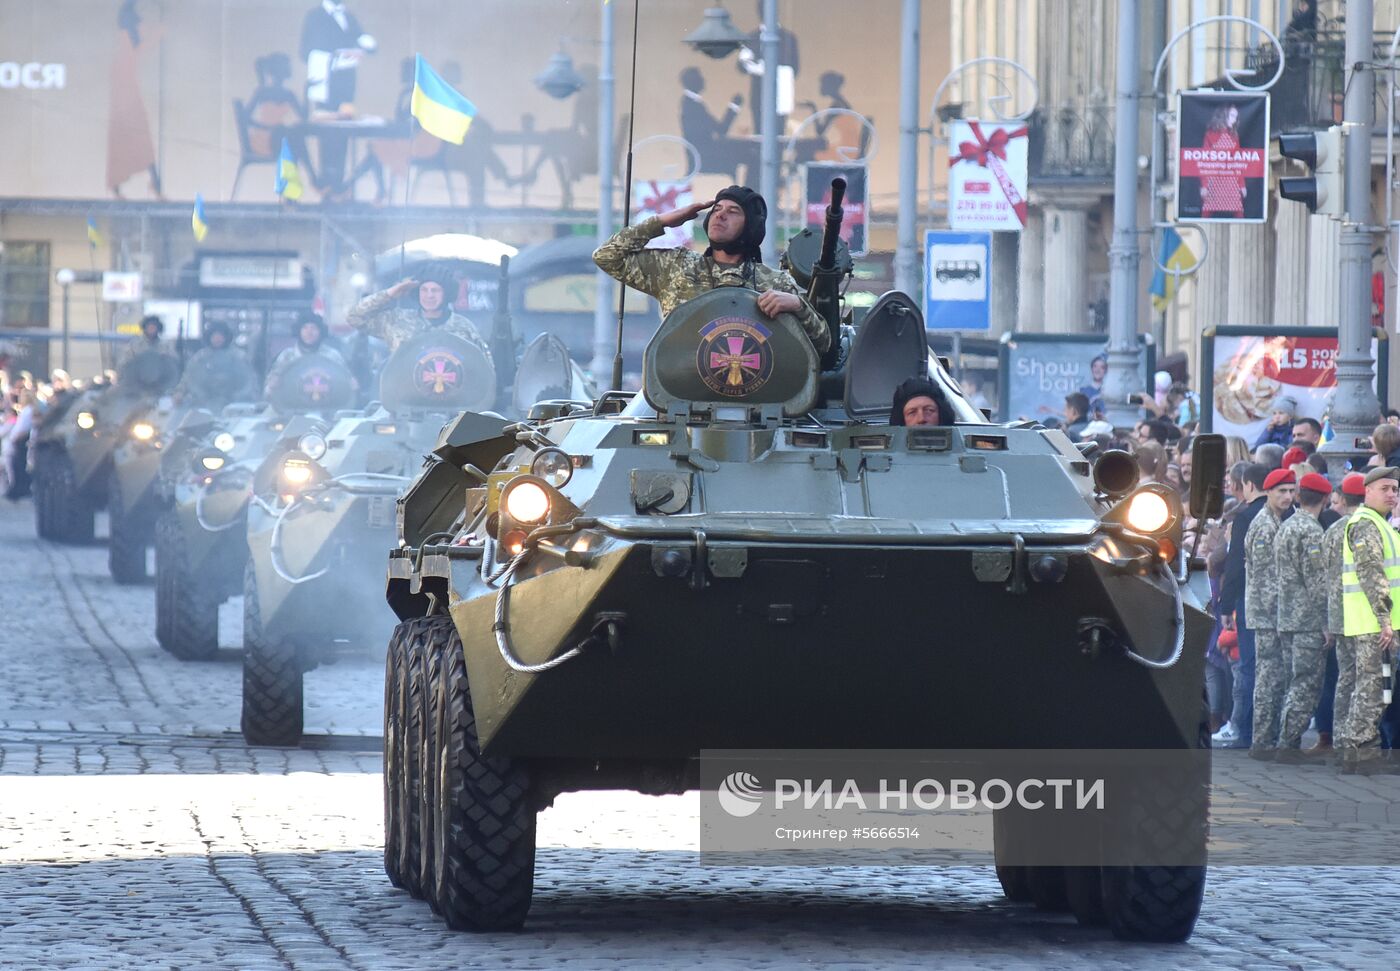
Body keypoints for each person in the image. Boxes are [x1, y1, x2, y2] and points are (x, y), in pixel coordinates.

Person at [593, 185, 830, 356]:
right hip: (679, 392)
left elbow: (823, 344)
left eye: (733, 211)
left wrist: (798, 307)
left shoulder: (774, 283)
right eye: (716, 209)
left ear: (751, 226)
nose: (720, 215)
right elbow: (607, 256)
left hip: (756, 398)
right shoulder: (676, 267)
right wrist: (663, 221)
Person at [1338, 466, 1400, 774]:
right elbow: (1372, 573)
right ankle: (1360, 753)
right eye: (1386, 488)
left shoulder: (1378, 523)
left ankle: (1359, 751)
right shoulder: (1365, 524)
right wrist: (1384, 619)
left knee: (1375, 688)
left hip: (1377, 623)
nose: (1392, 494)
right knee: (1372, 690)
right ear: (1368, 491)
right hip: (1374, 624)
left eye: (1395, 490)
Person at [1274, 472, 1332, 761]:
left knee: (1293, 682)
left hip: (1287, 617)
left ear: (1299, 495)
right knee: (1306, 684)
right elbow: (1317, 581)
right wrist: (1326, 621)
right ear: (1326, 498)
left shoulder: (1287, 525)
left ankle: (1285, 742)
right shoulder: (1311, 531)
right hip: (1307, 620)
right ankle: (1288, 744)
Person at [300, 1, 377, 200]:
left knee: (343, 135)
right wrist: (335, 57)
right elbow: (305, 51)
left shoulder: (348, 16)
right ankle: (327, 186)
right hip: (325, 87)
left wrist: (363, 47)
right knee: (327, 136)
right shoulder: (315, 16)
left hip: (345, 87)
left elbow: (364, 39)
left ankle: (339, 188)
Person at [1245, 467, 1297, 759]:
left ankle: (1265, 741)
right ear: (1268, 492)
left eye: (1291, 491)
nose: (1288, 497)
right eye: (1282, 491)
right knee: (1269, 678)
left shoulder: (1275, 521)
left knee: (1273, 677)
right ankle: (1262, 742)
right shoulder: (1265, 526)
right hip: (1269, 618)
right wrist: (1279, 619)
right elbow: (1266, 580)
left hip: (1271, 616)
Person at [346, 267, 488, 355]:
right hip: (404, 400)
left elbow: (484, 366)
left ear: (447, 294)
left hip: (452, 401)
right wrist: (389, 294)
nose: (429, 295)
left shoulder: (464, 327)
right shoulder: (397, 321)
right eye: (424, 290)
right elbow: (354, 317)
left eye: (435, 290)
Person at [171, 322, 257, 407]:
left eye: (220, 336)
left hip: (234, 405)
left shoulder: (239, 357)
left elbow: (250, 382)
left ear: (226, 337)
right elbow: (188, 378)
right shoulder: (200, 358)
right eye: (214, 336)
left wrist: (243, 397)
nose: (217, 339)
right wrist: (180, 392)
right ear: (209, 337)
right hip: (202, 405)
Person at [264, 312, 349, 397]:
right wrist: (272, 386)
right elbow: (268, 391)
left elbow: (346, 384)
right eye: (305, 328)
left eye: (314, 328)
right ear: (298, 331)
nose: (309, 332)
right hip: (291, 406)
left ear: (321, 332)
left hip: (328, 406)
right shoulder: (286, 356)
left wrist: (350, 383)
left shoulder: (332, 356)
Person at [1200, 103, 1247, 219]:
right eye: (1232, 116)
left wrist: (1242, 185)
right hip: (1214, 180)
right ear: (1224, 115)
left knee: (1238, 212)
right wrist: (1204, 185)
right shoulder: (1210, 135)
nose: (1234, 120)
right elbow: (1205, 161)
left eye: (1236, 117)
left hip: (1231, 180)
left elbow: (1238, 164)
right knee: (1207, 212)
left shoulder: (1234, 137)